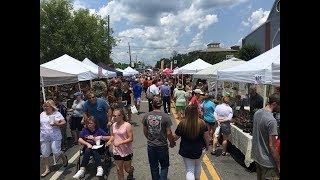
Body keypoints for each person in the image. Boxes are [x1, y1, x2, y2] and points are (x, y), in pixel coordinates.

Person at [142, 96, 176, 180]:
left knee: (153, 167)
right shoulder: (166, 117)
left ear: (152, 104)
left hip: (151, 145)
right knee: (164, 166)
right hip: (162, 145)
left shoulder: (146, 116)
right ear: (161, 105)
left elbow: (145, 131)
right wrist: (171, 142)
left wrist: (150, 138)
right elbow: (169, 132)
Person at [174, 105, 210, 180]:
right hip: (200, 149)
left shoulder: (183, 123)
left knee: (190, 170)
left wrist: (170, 138)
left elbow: (176, 137)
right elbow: (206, 137)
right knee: (198, 165)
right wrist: (207, 146)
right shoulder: (202, 123)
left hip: (186, 149)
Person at [251, 93, 280, 180]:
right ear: (274, 104)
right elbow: (272, 146)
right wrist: (278, 164)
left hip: (257, 157)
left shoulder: (257, 113)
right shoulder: (271, 121)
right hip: (268, 162)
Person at [40, 99, 68, 178]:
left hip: (55, 136)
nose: (45, 107)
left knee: (56, 151)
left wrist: (56, 125)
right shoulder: (42, 114)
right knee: (45, 153)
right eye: (44, 106)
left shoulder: (57, 113)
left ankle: (64, 158)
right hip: (44, 136)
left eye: (47, 106)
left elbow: (64, 122)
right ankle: (47, 169)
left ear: (51, 107)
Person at [107, 109, 134, 180]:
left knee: (127, 169)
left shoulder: (127, 125)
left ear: (122, 116)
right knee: (119, 170)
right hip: (117, 150)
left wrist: (119, 142)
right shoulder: (113, 125)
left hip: (126, 150)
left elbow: (131, 139)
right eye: (114, 116)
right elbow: (113, 135)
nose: (115, 117)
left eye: (117, 115)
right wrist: (109, 141)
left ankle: (131, 171)